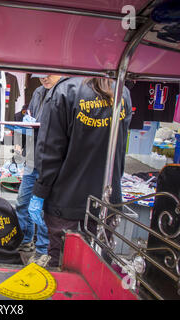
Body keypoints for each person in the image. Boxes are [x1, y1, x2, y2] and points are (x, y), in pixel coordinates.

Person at [28, 76, 132, 268]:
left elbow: (49, 151)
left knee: (63, 267)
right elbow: (122, 148)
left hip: (66, 204)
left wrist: (40, 191)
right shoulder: (122, 91)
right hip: (107, 201)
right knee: (98, 269)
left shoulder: (63, 91)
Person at [15, 74, 61, 267]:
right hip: (32, 156)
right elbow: (30, 121)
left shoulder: (63, 94)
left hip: (50, 160)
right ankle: (25, 241)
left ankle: (43, 249)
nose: (44, 79)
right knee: (23, 202)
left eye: (48, 75)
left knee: (43, 209)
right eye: (40, 76)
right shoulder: (38, 92)